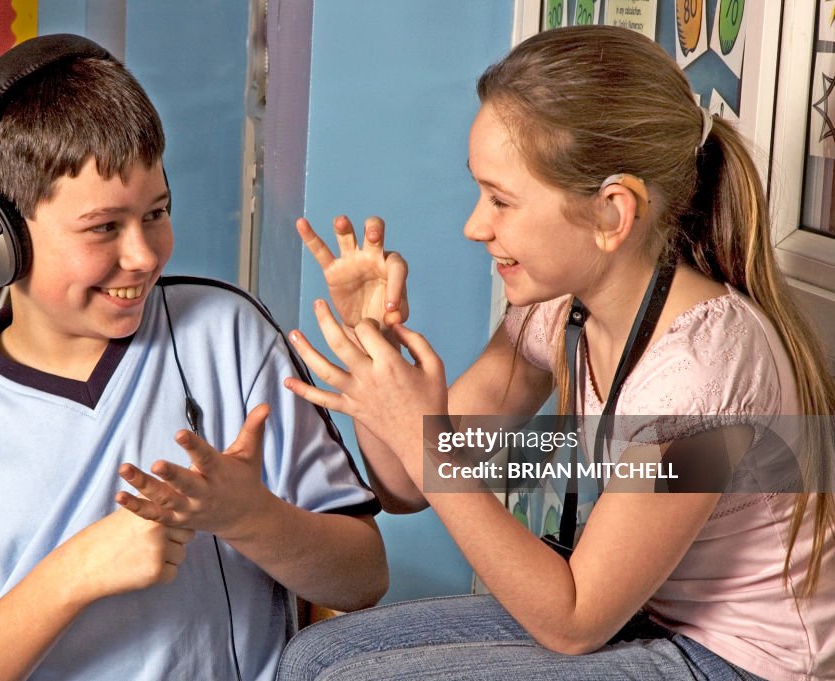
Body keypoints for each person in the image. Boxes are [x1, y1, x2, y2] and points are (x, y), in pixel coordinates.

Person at [278, 25, 835, 681]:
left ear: (610, 215)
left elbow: (573, 622)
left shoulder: (702, 384)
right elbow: (406, 487)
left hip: (747, 660)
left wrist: (426, 449)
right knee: (314, 656)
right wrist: (377, 354)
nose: (475, 225)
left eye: (501, 200)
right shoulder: (559, 310)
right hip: (646, 614)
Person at [0, 34, 387, 681]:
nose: (143, 254)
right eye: (104, 227)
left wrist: (250, 517)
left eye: (157, 212)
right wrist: (74, 574)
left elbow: (364, 577)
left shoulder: (227, 334)